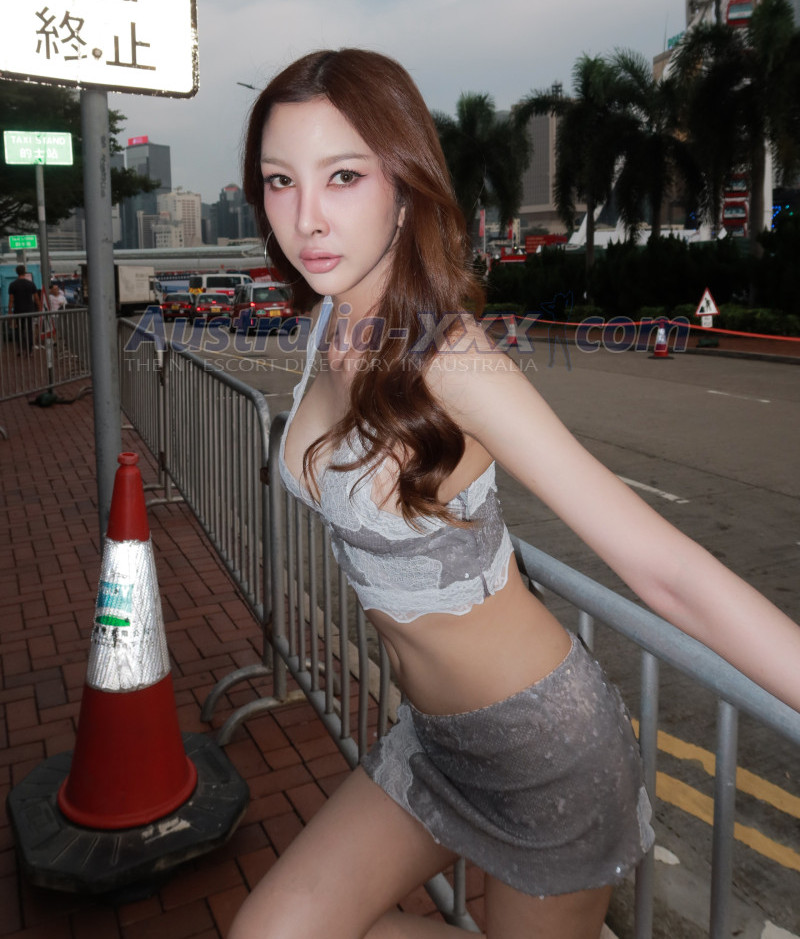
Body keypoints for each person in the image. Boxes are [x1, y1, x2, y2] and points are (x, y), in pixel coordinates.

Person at [230, 50, 800, 939]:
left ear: (405, 186)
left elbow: (665, 568)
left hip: (546, 755)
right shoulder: (327, 319)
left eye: (342, 176)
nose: (306, 217)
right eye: (279, 180)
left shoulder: (450, 359)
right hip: (433, 740)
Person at [7, 265, 41, 355]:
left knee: (19, 330)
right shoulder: (31, 284)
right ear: (25, 272)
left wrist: (10, 312)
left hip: (18, 310)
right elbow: (36, 298)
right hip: (29, 310)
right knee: (29, 330)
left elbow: (11, 300)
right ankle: (29, 350)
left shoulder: (12, 284)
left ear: (17, 272)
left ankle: (20, 349)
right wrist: (39, 308)